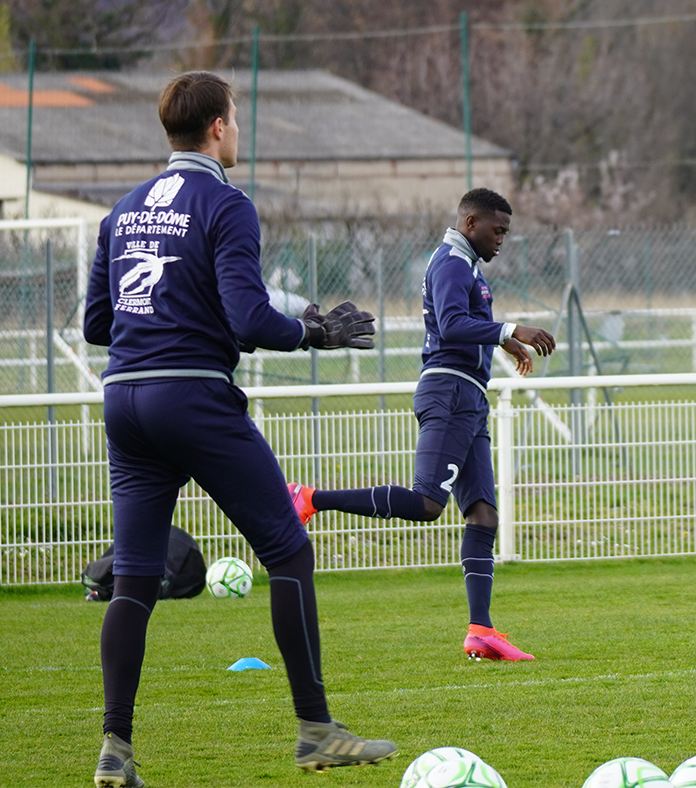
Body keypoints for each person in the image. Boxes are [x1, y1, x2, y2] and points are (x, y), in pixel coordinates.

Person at [83, 71, 396, 786]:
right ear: (219, 126)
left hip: (125, 402)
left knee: (133, 580)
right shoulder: (226, 204)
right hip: (191, 397)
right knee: (287, 550)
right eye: (237, 117)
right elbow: (252, 320)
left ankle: (115, 751)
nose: (238, 129)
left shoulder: (123, 210)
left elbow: (99, 325)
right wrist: (314, 332)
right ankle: (317, 731)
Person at [287, 189, 556, 662]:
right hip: (449, 393)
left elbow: (466, 323)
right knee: (429, 503)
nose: (502, 241)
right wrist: (511, 330)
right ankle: (309, 499)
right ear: (471, 223)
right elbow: (451, 325)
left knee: (483, 515)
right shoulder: (452, 261)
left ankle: (481, 630)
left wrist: (501, 343)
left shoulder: (465, 264)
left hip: (468, 397)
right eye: (498, 231)